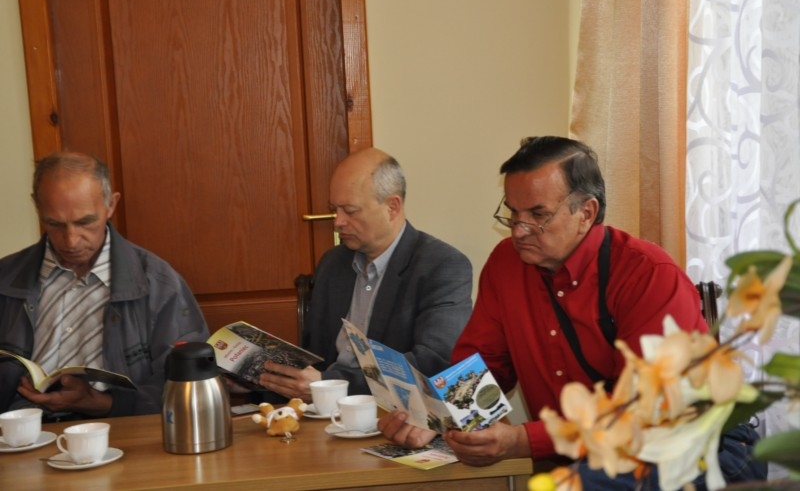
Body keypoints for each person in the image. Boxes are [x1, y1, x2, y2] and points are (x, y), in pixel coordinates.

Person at [379, 136, 735, 486]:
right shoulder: (506, 264)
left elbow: (648, 411)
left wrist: (522, 440)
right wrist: (437, 417)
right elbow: (481, 367)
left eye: (538, 215)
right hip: (576, 459)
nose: (519, 231)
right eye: (513, 213)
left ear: (586, 213)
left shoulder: (648, 275)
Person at [252, 148, 473, 402]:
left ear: (392, 207)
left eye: (350, 211)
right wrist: (263, 378)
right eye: (334, 209)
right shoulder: (333, 263)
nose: (338, 221)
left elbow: (433, 362)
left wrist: (330, 385)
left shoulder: (442, 266)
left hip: (391, 412)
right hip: (325, 411)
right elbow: (315, 357)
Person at [0, 152, 209, 420]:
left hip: (120, 428)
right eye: (54, 224)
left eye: (85, 222)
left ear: (111, 205)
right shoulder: (6, 277)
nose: (71, 241)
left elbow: (188, 383)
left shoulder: (158, 284)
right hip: (19, 430)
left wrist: (102, 402)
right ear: (37, 207)